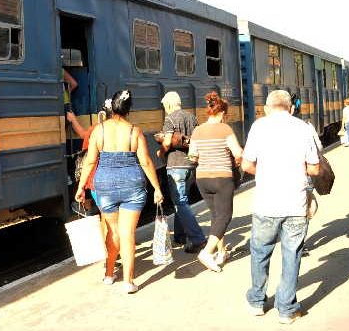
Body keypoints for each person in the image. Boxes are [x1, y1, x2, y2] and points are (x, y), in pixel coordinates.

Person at [241, 90, 320, 325]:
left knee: (260, 252)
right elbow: (314, 169)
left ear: (267, 108)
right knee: (291, 255)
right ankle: (286, 310)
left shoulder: (258, 127)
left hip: (266, 203)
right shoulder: (303, 128)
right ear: (291, 108)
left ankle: (256, 301)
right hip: (295, 204)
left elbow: (246, 164)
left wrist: (266, 173)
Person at [75, 89, 163, 294]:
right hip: (132, 184)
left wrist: (80, 188)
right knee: (127, 232)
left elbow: (90, 161)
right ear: (129, 109)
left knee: (112, 230)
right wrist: (157, 188)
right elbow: (146, 162)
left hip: (105, 183)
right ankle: (128, 282)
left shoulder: (99, 130)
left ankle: (108, 274)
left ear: (112, 107)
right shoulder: (135, 131)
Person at [188, 91, 244, 272]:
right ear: (222, 113)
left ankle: (221, 252)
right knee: (224, 216)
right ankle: (207, 252)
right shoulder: (225, 129)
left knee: (216, 216)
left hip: (202, 179)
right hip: (222, 179)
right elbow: (238, 153)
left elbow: (193, 156)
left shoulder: (197, 130)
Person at [156, 91, 205, 253]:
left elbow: (168, 141)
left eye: (165, 106)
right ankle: (180, 235)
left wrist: (161, 152)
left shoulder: (170, 119)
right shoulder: (192, 117)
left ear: (169, 104)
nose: (165, 109)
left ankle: (197, 238)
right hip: (191, 166)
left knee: (180, 202)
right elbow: (198, 139)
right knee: (183, 201)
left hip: (176, 165)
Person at [66, 101, 112, 215]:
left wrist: (73, 119)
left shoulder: (96, 129)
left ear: (103, 114)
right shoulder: (129, 129)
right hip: (118, 179)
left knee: (106, 214)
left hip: (98, 179)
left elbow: (83, 135)